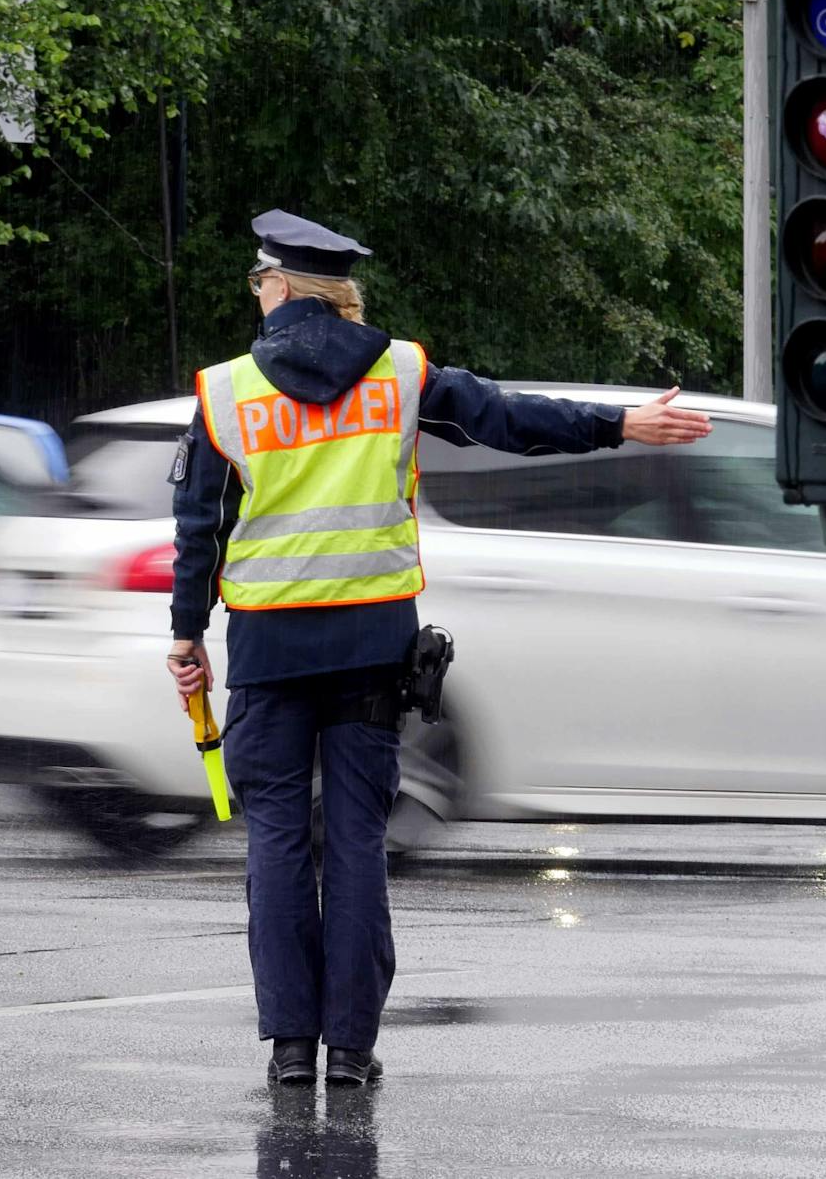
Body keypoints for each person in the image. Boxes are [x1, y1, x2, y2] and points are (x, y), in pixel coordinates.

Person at [165, 210, 712, 1086]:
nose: (257, 294)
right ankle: (350, 1049)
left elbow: (199, 524)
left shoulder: (228, 390)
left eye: (259, 281)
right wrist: (618, 425)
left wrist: (186, 633)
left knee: (274, 843)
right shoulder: (402, 371)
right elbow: (506, 417)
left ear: (279, 288)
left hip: (268, 651)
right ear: (341, 295)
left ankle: (290, 1052)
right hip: (372, 648)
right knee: (352, 845)